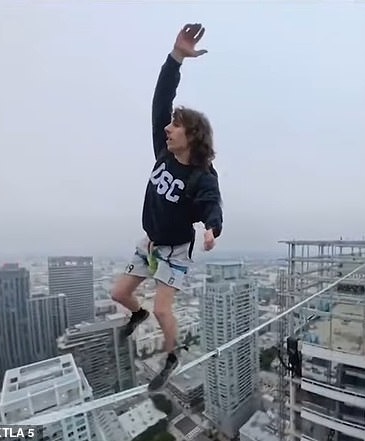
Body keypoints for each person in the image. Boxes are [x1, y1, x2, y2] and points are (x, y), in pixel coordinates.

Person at [110, 23, 223, 391]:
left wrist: (211, 228)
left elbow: (212, 203)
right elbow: (161, 100)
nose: (167, 129)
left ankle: (172, 357)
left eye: (175, 126)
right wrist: (175, 58)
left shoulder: (201, 176)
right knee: (118, 295)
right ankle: (136, 312)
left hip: (175, 249)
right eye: (170, 125)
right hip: (151, 241)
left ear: (192, 136)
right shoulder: (163, 153)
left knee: (163, 309)